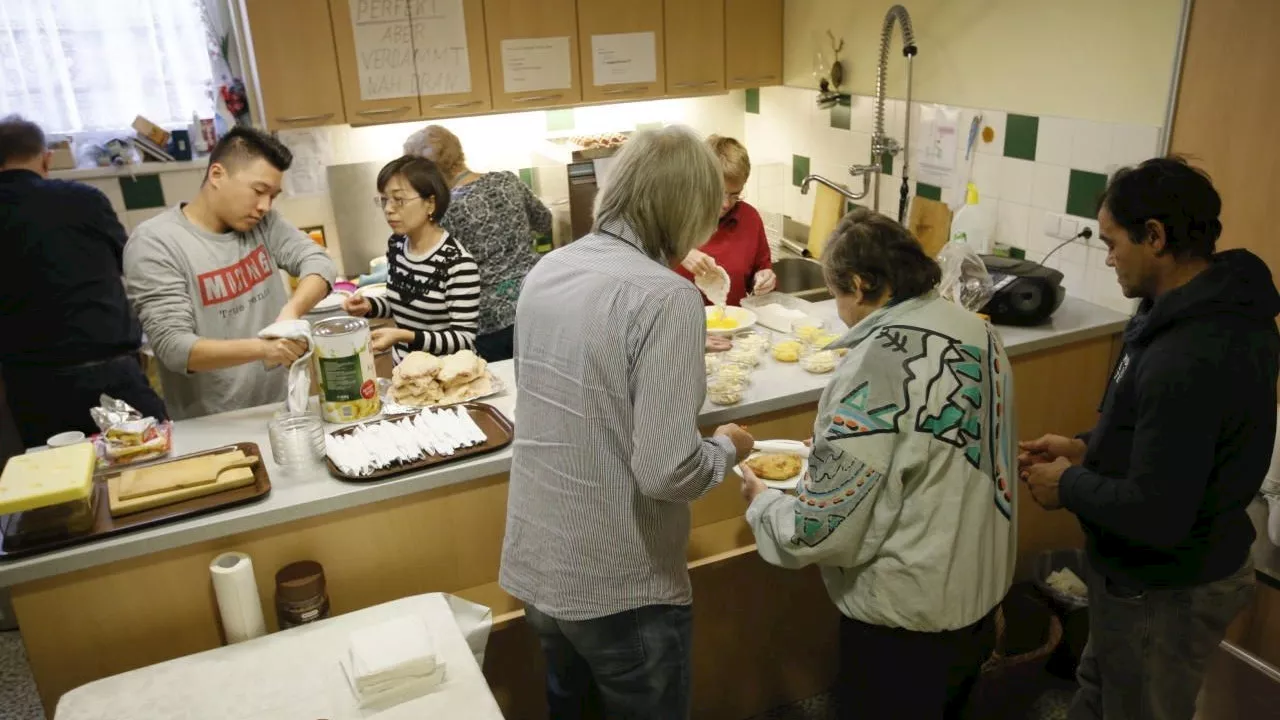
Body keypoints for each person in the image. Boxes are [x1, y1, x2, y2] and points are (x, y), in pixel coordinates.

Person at [499, 125, 755, 719]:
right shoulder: (666, 297)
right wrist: (725, 447)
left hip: (541, 562)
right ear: (687, 210)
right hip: (619, 583)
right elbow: (667, 473)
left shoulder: (550, 270)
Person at [1020, 157, 1279, 720]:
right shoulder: (1178, 309)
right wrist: (1087, 448)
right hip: (1138, 576)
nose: (1108, 257)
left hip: (1167, 587)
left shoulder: (1193, 352)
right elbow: (1167, 441)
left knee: (1138, 707)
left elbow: (1160, 511)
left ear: (1155, 237)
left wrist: (1070, 485)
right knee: (1100, 687)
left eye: (1113, 242)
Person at [740, 208, 1017, 719]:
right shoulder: (975, 330)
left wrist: (763, 506)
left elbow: (820, 529)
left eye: (837, 294)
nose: (839, 310)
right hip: (977, 600)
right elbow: (924, 444)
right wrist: (840, 443)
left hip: (906, 621)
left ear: (864, 284)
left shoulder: (876, 365)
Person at [124, 127, 337, 420]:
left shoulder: (265, 224)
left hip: (280, 409)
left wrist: (292, 309)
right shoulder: (154, 243)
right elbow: (175, 348)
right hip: (211, 425)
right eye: (259, 191)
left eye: (273, 196)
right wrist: (264, 350)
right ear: (216, 175)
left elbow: (319, 263)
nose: (264, 206)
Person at [0, 116, 167, 447]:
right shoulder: (84, 200)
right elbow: (132, 262)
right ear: (47, 158)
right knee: (152, 465)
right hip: (111, 376)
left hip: (31, 387)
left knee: (58, 482)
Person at [403, 124, 551, 362]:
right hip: (537, 304)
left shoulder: (440, 212)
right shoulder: (507, 181)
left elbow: (433, 272)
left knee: (499, 392)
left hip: (485, 323)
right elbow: (544, 221)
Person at [342, 156, 480, 362]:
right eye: (384, 200)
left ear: (430, 203)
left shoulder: (457, 263)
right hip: (406, 372)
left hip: (447, 378)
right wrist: (369, 306)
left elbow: (463, 338)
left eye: (399, 200)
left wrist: (405, 336)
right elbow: (404, 301)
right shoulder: (397, 245)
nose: (388, 209)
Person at [676, 135, 777, 305]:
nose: (726, 204)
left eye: (735, 195)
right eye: (720, 193)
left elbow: (760, 271)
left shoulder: (749, 219)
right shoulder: (670, 216)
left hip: (731, 326)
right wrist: (678, 253)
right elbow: (635, 269)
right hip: (677, 327)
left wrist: (765, 279)